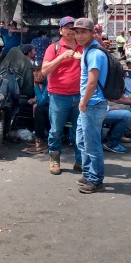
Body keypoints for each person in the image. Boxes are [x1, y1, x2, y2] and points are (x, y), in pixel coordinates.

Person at [40, 16, 83, 176]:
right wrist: (61, 57)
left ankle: (79, 161)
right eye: (67, 27)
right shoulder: (54, 48)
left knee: (79, 130)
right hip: (59, 97)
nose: (71, 30)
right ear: (61, 30)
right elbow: (44, 71)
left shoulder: (83, 47)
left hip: (79, 96)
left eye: (74, 28)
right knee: (56, 130)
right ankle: (55, 159)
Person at [73, 18, 109, 194]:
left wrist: (83, 102)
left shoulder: (94, 53)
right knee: (83, 141)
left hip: (92, 104)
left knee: (92, 144)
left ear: (92, 33)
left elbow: (92, 82)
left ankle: (96, 179)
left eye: (83, 32)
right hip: (89, 104)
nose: (79, 36)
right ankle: (88, 174)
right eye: (77, 32)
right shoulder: (89, 50)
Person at [26, 66, 50, 154]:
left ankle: (40, 143)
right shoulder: (43, 82)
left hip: (56, 107)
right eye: (34, 71)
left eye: (37, 70)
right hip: (49, 106)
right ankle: (38, 138)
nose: (35, 73)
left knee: (39, 109)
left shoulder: (48, 81)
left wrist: (35, 85)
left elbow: (42, 101)